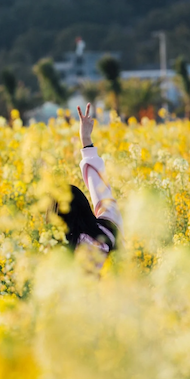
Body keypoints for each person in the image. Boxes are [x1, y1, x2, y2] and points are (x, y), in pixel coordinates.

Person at [48, 103, 123, 270]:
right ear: (85, 206)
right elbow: (101, 191)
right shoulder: (109, 229)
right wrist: (86, 140)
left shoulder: (65, 257)